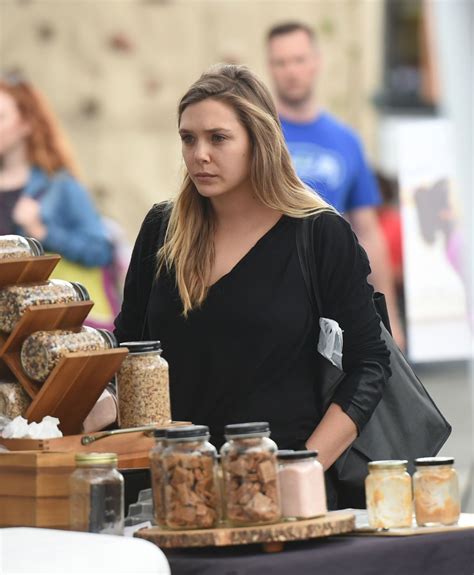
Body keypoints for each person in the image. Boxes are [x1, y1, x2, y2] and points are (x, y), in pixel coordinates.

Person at [114, 64, 391, 509]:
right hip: (172, 490)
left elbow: (370, 365)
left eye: (218, 138)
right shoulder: (162, 229)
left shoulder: (318, 234)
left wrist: (300, 468)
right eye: (188, 138)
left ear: (258, 140)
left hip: (278, 493)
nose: (199, 154)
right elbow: (128, 354)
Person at [266, 22, 405, 350]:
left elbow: (368, 232)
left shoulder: (346, 141)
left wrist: (391, 321)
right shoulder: (259, 134)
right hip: (269, 297)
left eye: (298, 60)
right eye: (280, 62)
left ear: (316, 62)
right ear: (270, 68)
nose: (291, 71)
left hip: (332, 300)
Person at [0, 72, 119, 330]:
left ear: (26, 123)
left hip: (45, 331)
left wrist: (41, 231)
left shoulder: (59, 187)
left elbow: (100, 250)